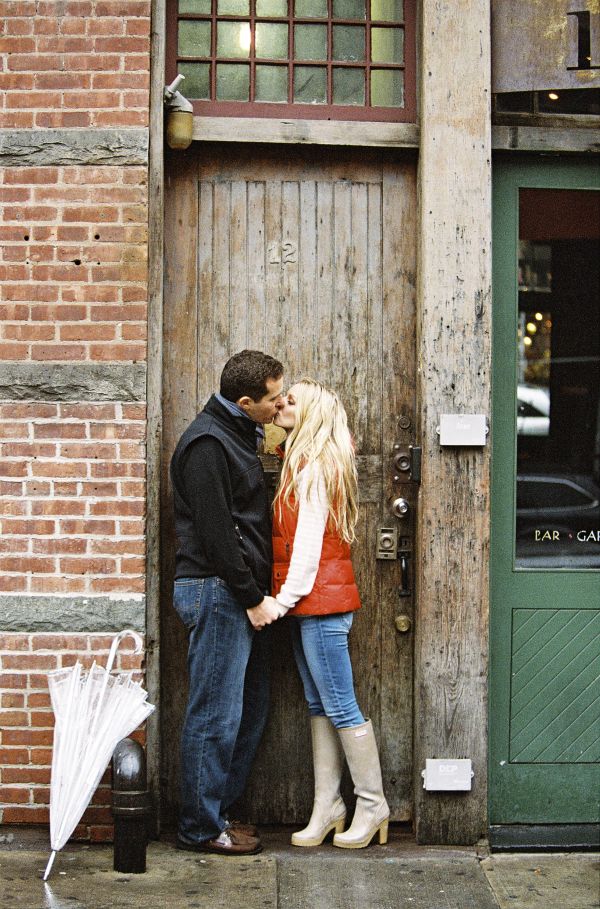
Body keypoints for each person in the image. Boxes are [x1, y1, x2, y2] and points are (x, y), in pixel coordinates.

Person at [170, 350, 284, 856]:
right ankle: (199, 828)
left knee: (248, 711)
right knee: (215, 715)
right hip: (218, 591)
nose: (280, 404)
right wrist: (252, 597)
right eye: (273, 398)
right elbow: (217, 534)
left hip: (235, 593)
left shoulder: (239, 434)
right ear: (244, 402)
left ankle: (219, 812)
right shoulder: (207, 444)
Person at [272, 378, 390, 850]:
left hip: (320, 604)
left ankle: (373, 804)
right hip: (311, 604)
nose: (282, 404)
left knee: (340, 706)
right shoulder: (300, 461)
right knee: (319, 705)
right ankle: (328, 807)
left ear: (311, 414)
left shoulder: (315, 467)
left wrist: (281, 601)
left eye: (291, 400)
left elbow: (307, 550)